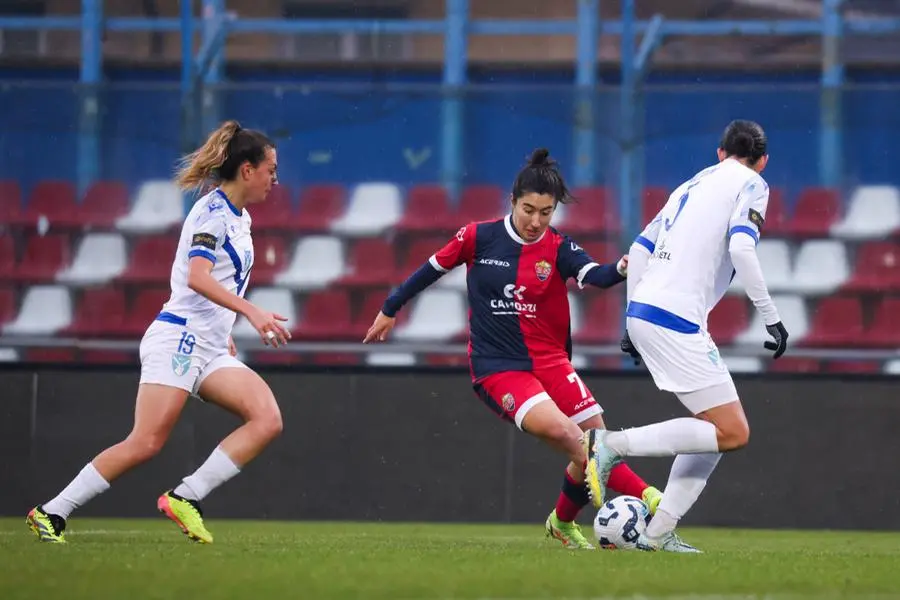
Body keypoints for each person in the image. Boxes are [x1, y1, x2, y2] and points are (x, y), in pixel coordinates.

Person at [364, 148, 663, 550]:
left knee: (595, 441)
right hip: (499, 366)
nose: (536, 221)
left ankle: (561, 523)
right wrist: (389, 309)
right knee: (572, 437)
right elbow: (429, 270)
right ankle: (653, 499)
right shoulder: (477, 237)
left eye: (546, 212)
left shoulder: (557, 246)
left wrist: (623, 268)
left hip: (552, 361)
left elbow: (595, 275)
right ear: (512, 201)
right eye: (528, 210)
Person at [26, 120, 291, 544]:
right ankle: (51, 512)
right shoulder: (212, 212)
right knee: (146, 442)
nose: (275, 179)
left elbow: (216, 282)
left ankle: (187, 496)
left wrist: (225, 328)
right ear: (246, 170)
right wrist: (251, 311)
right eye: (270, 169)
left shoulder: (241, 219)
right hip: (179, 339)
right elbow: (198, 278)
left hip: (208, 344)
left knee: (267, 418)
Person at [584, 119, 788, 553]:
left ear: (719, 152)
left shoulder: (690, 184)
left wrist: (629, 319)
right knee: (733, 432)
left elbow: (639, 248)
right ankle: (610, 444)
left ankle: (656, 536)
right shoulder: (753, 184)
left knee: (712, 431)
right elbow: (741, 248)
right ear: (763, 161)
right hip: (675, 317)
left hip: (648, 309)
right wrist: (770, 316)